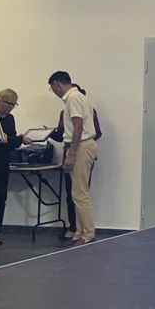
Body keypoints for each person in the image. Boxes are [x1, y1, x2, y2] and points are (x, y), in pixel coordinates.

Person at [48, 72, 98, 244]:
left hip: (81, 145)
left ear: (57, 84)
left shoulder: (73, 98)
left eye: (52, 88)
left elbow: (78, 125)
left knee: (80, 194)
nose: (54, 92)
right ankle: (80, 232)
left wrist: (72, 152)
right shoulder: (79, 97)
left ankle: (88, 234)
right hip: (82, 144)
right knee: (77, 193)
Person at [0, 88, 28, 245]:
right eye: (8, 103)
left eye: (14, 104)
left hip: (2, 162)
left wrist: (16, 139)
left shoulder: (10, 118)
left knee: (0, 198)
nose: (10, 107)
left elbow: (11, 141)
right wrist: (15, 140)